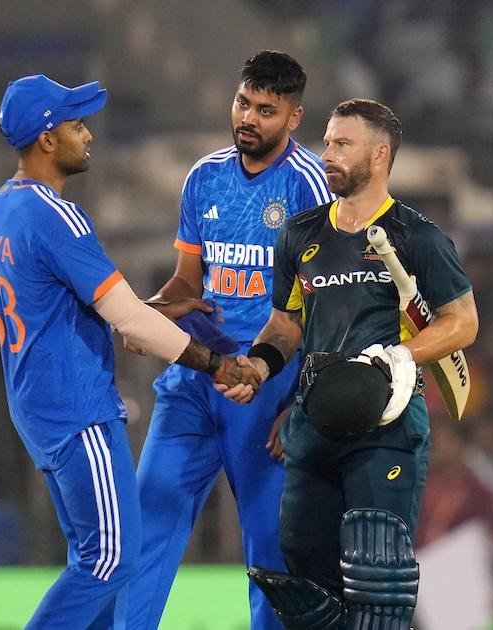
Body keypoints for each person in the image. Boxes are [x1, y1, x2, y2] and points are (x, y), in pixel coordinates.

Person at [0, 74, 260, 629]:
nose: (88, 135)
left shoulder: (2, 208)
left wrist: (151, 311)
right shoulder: (55, 214)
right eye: (76, 125)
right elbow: (127, 319)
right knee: (110, 561)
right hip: (77, 408)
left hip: (38, 404)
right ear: (46, 139)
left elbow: (82, 306)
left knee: (95, 556)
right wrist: (217, 363)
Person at [110, 50, 333, 630]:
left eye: (265, 110)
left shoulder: (310, 186)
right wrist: (152, 314)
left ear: (294, 117)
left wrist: (304, 402)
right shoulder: (204, 177)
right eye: (242, 103)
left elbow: (329, 306)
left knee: (270, 550)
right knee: (147, 523)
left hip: (267, 387)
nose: (248, 118)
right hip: (196, 376)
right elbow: (189, 281)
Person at [237, 98, 478, 629]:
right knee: (307, 584)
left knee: (377, 577)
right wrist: (259, 365)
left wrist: (398, 356)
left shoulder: (417, 236)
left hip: (386, 424)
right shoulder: (300, 234)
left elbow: (462, 322)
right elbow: (284, 325)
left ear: (380, 154)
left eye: (342, 144)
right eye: (327, 142)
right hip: (313, 423)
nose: (327, 154)